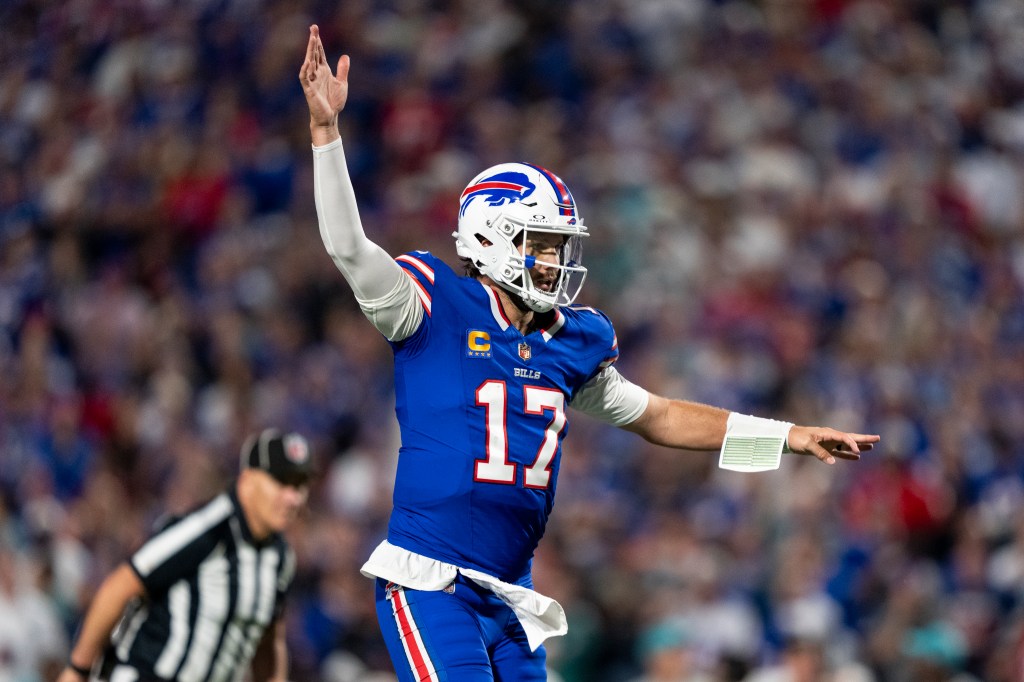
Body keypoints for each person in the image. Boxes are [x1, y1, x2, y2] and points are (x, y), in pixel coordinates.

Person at [299, 23, 880, 682]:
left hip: (509, 597)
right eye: (539, 243)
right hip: (431, 584)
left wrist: (788, 439)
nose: (553, 260)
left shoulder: (571, 341)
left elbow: (659, 419)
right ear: (491, 237)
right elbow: (349, 248)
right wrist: (326, 136)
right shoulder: (433, 309)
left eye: (557, 246)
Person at [57, 429, 313, 682]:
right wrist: (78, 670)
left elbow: (268, 639)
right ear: (247, 481)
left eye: (300, 485)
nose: (293, 497)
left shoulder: (280, 558)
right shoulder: (208, 529)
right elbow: (122, 586)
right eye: (281, 482)